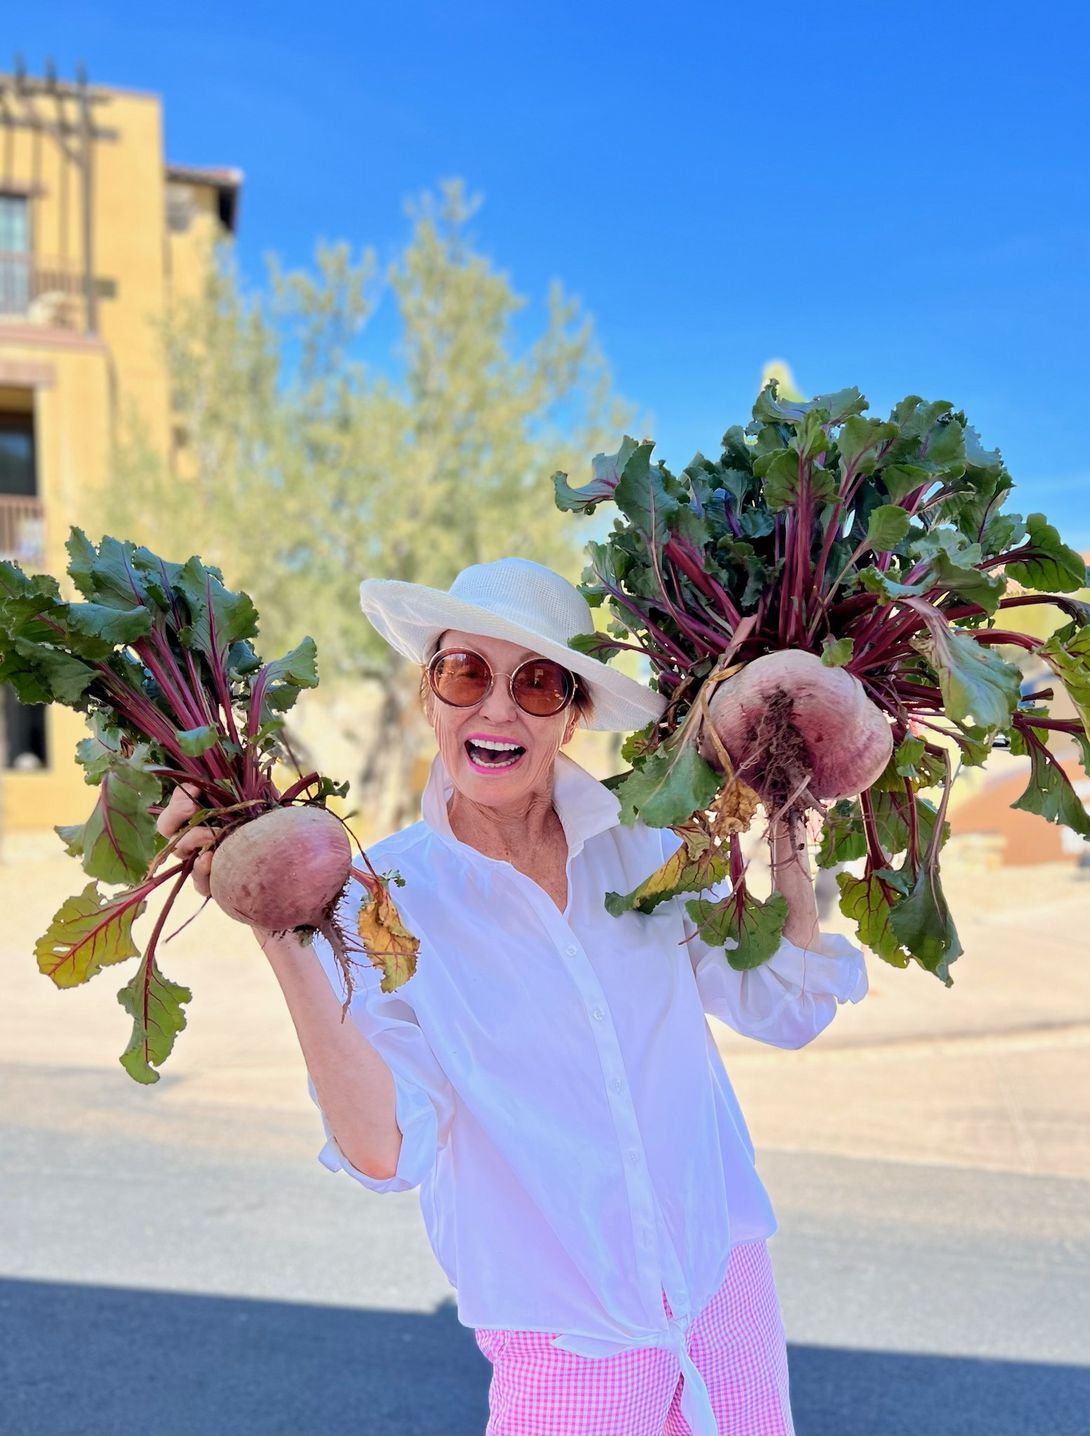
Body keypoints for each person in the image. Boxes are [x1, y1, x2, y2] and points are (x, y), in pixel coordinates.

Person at [157, 556, 869, 1436]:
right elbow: (385, 1150)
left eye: (535, 684)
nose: (497, 708)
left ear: (571, 717)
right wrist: (278, 926)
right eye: (466, 674)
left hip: (724, 1288)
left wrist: (788, 804)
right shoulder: (381, 903)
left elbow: (788, 1011)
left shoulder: (644, 845)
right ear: (430, 697)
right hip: (562, 1340)